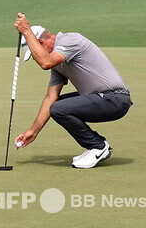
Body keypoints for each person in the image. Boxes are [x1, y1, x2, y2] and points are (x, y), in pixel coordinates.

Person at [13, 13, 132, 169]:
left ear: (41, 42)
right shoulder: (57, 63)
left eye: (34, 54)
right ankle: (94, 146)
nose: (36, 59)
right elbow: (50, 98)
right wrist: (33, 131)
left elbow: (45, 62)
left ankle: (98, 146)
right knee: (56, 105)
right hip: (101, 98)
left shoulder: (70, 40)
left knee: (58, 109)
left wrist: (27, 31)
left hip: (115, 99)